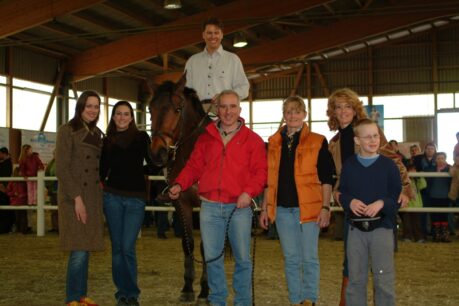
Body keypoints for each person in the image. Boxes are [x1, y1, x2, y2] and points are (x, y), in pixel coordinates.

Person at [168, 90, 267, 306]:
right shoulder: (206, 138)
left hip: (239, 208)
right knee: (212, 260)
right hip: (210, 208)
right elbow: (193, 166)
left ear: (239, 110)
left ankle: (242, 302)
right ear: (217, 109)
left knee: (242, 260)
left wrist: (248, 193)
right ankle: (217, 301)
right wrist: (179, 184)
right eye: (223, 107)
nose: (228, 111)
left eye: (233, 107)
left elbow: (260, 172)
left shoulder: (253, 140)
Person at [326, 88, 413, 306]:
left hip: (378, 207)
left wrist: (404, 189)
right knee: (352, 263)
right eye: (338, 107)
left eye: (347, 106)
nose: (344, 111)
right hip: (353, 209)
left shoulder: (369, 131)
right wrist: (338, 195)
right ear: (333, 112)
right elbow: (339, 177)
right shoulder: (334, 142)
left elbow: (392, 160)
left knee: (380, 269)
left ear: (355, 108)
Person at [258, 96, 334, 306]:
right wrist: (265, 209)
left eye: (297, 111)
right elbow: (269, 180)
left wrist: (326, 207)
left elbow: (327, 178)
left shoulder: (318, 140)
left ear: (304, 114)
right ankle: (295, 299)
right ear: (284, 115)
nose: (292, 115)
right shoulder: (273, 142)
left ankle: (310, 299)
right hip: (282, 209)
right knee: (291, 258)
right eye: (288, 111)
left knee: (309, 257)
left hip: (310, 209)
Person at [339, 118, 402, 306]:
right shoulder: (349, 166)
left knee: (383, 279)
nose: (373, 140)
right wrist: (350, 202)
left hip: (382, 227)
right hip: (355, 229)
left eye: (375, 135)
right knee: (356, 278)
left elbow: (395, 196)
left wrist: (382, 203)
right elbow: (343, 192)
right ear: (357, 140)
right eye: (367, 137)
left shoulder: (389, 166)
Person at [100, 101, 154, 306]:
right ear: (113, 117)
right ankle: (122, 293)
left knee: (127, 247)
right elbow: (101, 170)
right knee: (117, 248)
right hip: (112, 197)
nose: (122, 117)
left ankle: (132, 293)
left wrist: (144, 172)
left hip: (135, 200)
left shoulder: (142, 138)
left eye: (126, 114)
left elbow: (153, 163)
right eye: (118, 114)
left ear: (132, 118)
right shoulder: (107, 141)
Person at [55, 90, 104, 306]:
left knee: (86, 248)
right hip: (73, 196)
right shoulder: (67, 130)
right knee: (78, 249)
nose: (93, 110)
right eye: (89, 106)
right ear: (81, 106)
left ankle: (82, 296)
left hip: (92, 197)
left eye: (96, 106)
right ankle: (72, 298)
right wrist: (76, 197)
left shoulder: (99, 133)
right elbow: (62, 168)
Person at [185, 17, 249, 107]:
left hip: (225, 113)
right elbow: (185, 90)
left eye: (216, 33)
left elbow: (244, 89)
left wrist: (224, 97)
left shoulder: (233, 59)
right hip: (197, 114)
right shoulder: (192, 61)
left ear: (222, 35)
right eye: (209, 33)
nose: (213, 36)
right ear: (203, 35)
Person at [429, 152, 452, 242]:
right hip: (433, 195)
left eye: (442, 158)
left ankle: (445, 235)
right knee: (435, 216)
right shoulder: (431, 169)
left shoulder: (450, 169)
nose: (440, 160)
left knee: (444, 216)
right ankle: (437, 235)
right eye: (438, 158)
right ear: (435, 160)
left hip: (445, 196)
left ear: (445, 159)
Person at [6, 167, 29, 234]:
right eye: (19, 172)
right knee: (17, 216)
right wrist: (13, 194)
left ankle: (24, 230)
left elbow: (28, 191)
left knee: (23, 216)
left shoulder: (24, 182)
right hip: (15, 202)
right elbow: (8, 191)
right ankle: (18, 229)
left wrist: (23, 195)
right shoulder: (12, 182)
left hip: (23, 201)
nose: (21, 173)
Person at [45, 151, 59, 233]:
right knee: (53, 210)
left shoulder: (63, 162)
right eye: (54, 153)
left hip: (59, 189)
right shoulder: (51, 163)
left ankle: (61, 227)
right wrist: (48, 185)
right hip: (52, 189)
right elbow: (46, 174)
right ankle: (55, 227)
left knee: (60, 209)